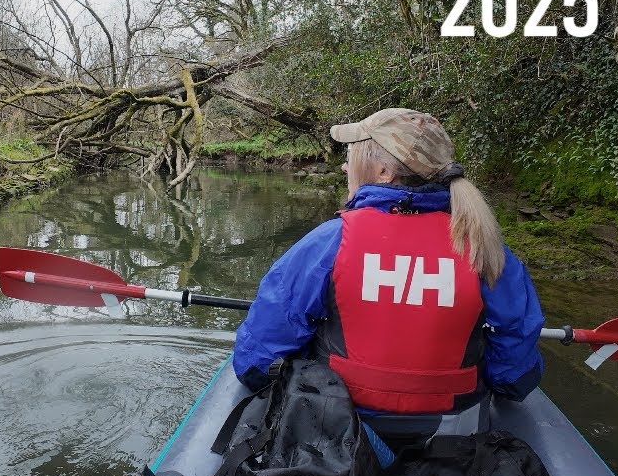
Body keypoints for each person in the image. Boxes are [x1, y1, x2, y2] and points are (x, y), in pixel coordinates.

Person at [233, 107, 545, 451]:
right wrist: (503, 381)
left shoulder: (329, 242)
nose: (344, 167)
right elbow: (516, 363)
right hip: (454, 435)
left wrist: (261, 376)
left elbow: (262, 354)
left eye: (352, 158)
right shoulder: (485, 248)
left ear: (383, 171)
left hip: (339, 429)